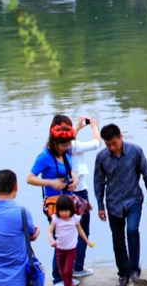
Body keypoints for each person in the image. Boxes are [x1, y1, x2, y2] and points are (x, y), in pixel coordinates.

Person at [94, 124, 147, 286]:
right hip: (113, 202)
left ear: (121, 137)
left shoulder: (135, 151)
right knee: (117, 238)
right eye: (108, 144)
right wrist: (100, 206)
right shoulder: (102, 157)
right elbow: (99, 183)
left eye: (114, 143)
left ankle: (135, 269)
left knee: (132, 231)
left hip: (133, 199)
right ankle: (123, 272)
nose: (112, 147)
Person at [49, 115, 102, 279]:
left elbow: (69, 142)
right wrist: (94, 126)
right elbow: (97, 143)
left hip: (64, 195)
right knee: (82, 230)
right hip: (78, 192)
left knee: (64, 233)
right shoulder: (73, 145)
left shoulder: (55, 147)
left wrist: (78, 128)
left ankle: (62, 271)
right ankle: (77, 266)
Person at [27, 123, 79, 286]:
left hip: (68, 201)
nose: (67, 147)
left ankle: (65, 276)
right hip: (54, 205)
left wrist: (74, 180)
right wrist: (51, 182)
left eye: (68, 144)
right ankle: (58, 278)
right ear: (55, 143)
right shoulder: (45, 156)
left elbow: (69, 170)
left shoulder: (66, 152)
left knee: (69, 238)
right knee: (61, 239)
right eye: (64, 144)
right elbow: (30, 178)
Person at [0, 170, 40, 286]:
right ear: (16, 186)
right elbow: (32, 234)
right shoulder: (22, 212)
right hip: (19, 280)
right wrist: (36, 233)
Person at [49, 195, 93, 286]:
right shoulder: (56, 219)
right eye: (61, 211)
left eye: (66, 210)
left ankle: (68, 284)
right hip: (60, 249)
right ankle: (68, 283)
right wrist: (51, 240)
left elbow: (80, 231)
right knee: (62, 271)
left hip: (71, 250)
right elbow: (49, 231)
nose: (64, 213)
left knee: (68, 271)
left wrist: (87, 242)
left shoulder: (74, 219)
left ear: (71, 210)